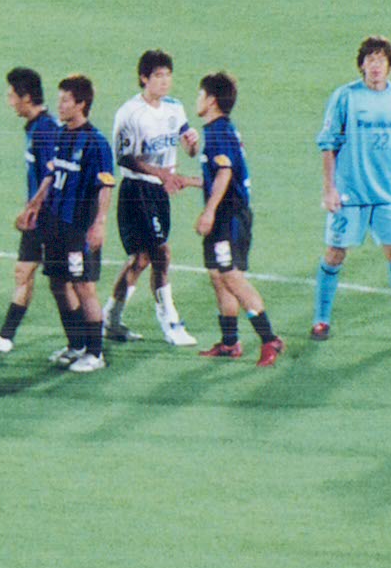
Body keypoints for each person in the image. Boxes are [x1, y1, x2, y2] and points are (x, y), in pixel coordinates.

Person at [313, 36, 391, 344]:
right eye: (370, 59)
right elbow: (328, 145)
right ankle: (321, 320)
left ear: (389, 66)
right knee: (335, 254)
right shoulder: (345, 96)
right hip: (350, 194)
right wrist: (329, 190)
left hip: (386, 195)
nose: (375, 65)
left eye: (381, 60)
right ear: (361, 65)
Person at [104, 50, 200, 346]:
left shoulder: (175, 108)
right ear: (143, 78)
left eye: (168, 75)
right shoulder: (130, 113)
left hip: (159, 191)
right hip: (137, 190)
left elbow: (187, 146)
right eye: (158, 76)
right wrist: (161, 173)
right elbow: (124, 157)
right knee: (161, 254)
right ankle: (170, 322)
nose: (164, 81)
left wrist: (192, 145)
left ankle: (110, 318)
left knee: (142, 259)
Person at [192, 73, 284, 367]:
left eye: (200, 94)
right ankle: (230, 342)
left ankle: (269, 338)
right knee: (217, 275)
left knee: (230, 275)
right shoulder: (219, 130)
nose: (197, 100)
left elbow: (225, 173)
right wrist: (189, 181)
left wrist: (208, 211)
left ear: (211, 100)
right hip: (226, 213)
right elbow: (222, 175)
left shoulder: (218, 132)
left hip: (228, 216)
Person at [0, 68, 61, 354]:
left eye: (12, 96)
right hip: (37, 215)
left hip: (49, 216)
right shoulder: (35, 127)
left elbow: (53, 175)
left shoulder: (46, 129)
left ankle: (86, 343)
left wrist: (32, 207)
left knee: (66, 284)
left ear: (27, 97)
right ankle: (6, 336)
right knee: (24, 272)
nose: (9, 102)